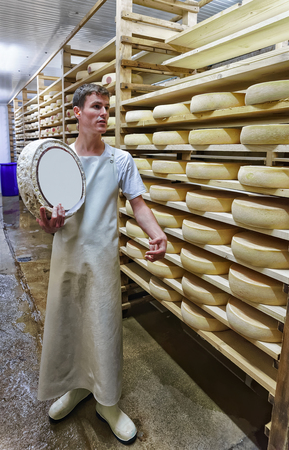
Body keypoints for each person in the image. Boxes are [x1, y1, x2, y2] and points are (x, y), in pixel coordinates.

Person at [36, 83, 167, 445]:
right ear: (77, 113)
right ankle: (76, 388)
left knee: (103, 326)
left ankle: (107, 402)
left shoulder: (119, 160)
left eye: (107, 108)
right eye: (95, 107)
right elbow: (45, 215)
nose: (103, 113)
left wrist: (156, 233)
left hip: (102, 258)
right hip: (67, 256)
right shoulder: (59, 158)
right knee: (68, 324)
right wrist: (47, 224)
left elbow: (138, 205)